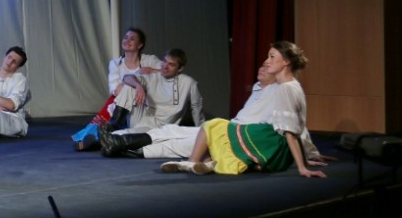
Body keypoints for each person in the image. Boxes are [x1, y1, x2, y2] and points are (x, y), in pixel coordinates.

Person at [100, 62, 333, 163]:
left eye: (267, 66)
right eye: (262, 65)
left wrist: (310, 152)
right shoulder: (258, 88)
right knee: (172, 136)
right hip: (228, 128)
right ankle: (117, 143)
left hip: (237, 137)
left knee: (175, 142)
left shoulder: (282, 90)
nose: (261, 68)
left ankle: (118, 144)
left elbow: (296, 122)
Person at [158, 41, 326, 178]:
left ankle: (192, 162)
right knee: (218, 133)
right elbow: (298, 124)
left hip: (272, 144)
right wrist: (305, 157)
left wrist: (302, 167)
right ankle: (208, 164)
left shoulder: (286, 88)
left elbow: (291, 131)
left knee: (214, 126)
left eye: (272, 57)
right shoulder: (291, 85)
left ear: (286, 62)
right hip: (272, 145)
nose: (267, 61)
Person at [71, 27, 162, 151]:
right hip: (121, 103)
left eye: (132, 39)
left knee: (135, 128)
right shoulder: (115, 63)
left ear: (140, 45)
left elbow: (167, 72)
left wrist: (152, 71)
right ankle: (93, 139)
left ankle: (100, 141)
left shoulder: (150, 60)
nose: (127, 41)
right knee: (109, 115)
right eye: (125, 37)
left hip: (143, 103)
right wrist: (138, 78)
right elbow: (116, 91)